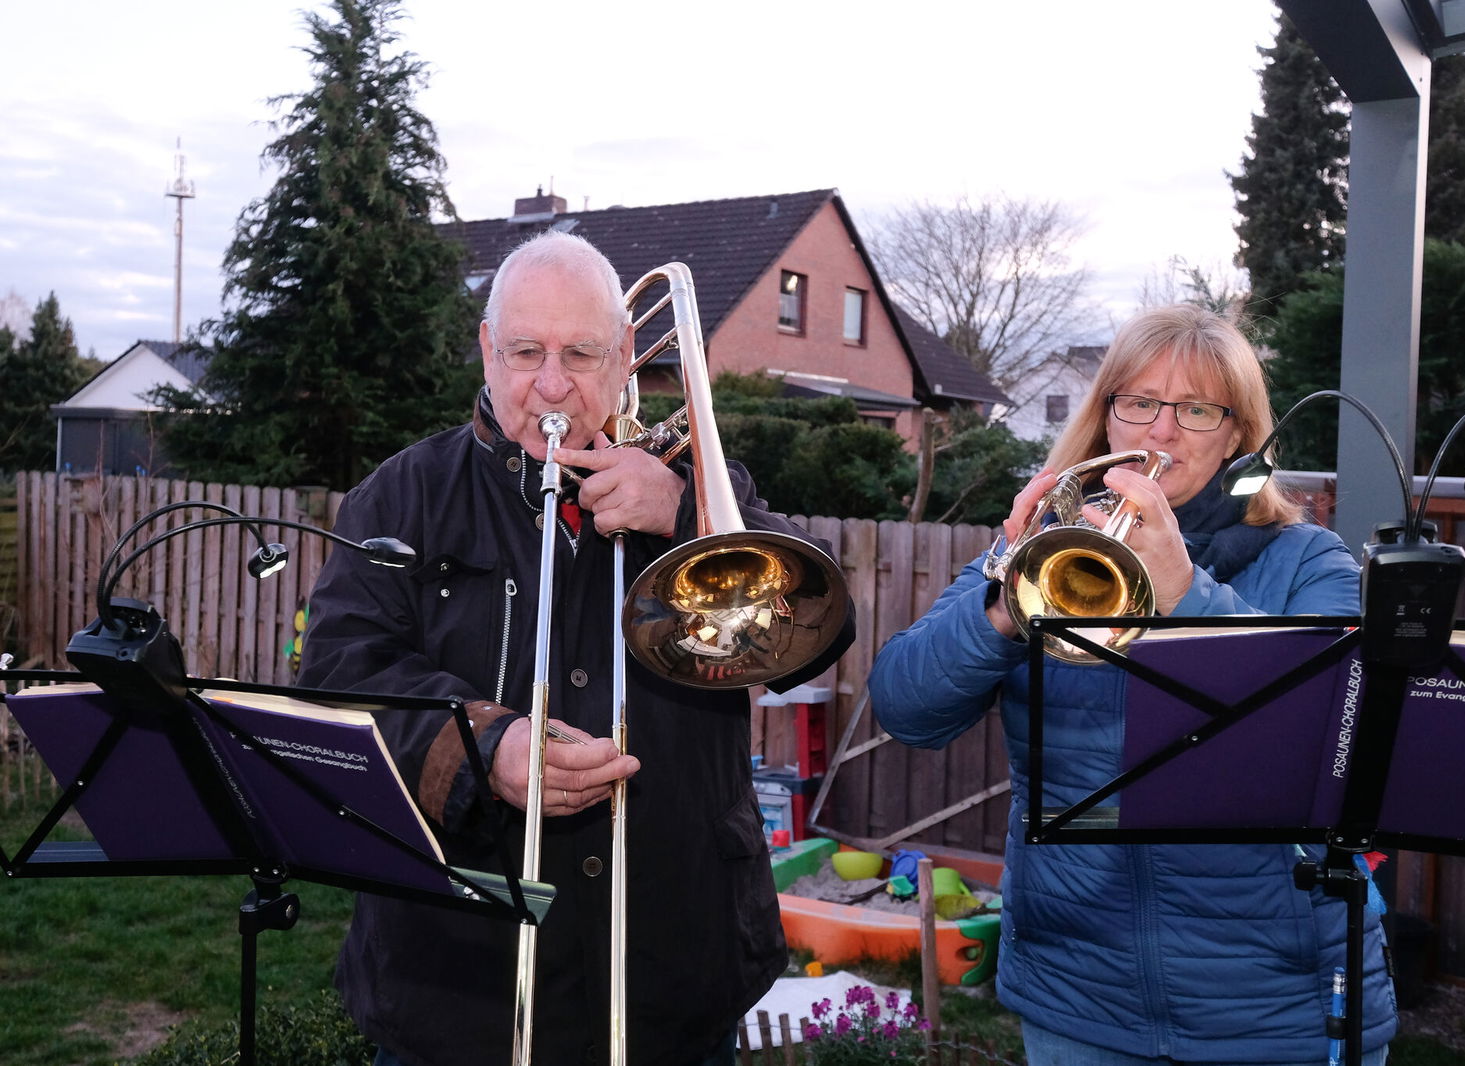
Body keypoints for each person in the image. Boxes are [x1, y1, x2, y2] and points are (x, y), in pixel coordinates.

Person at [297, 230, 854, 1066]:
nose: (550, 384)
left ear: (627, 355)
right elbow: (340, 679)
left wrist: (689, 517)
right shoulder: (403, 496)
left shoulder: (701, 485)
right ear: (487, 350)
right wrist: (484, 746)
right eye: (525, 351)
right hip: (458, 988)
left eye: (581, 353)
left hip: (673, 973)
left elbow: (818, 635)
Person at [867, 305, 1396, 1065]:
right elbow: (907, 709)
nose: (1161, 432)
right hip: (1078, 994)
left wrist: (1185, 593)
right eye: (1140, 403)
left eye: (1196, 409)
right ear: (1107, 416)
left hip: (1274, 1004)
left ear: (1240, 433)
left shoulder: (1310, 561)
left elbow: (1339, 742)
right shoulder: (1035, 546)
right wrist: (1005, 601)